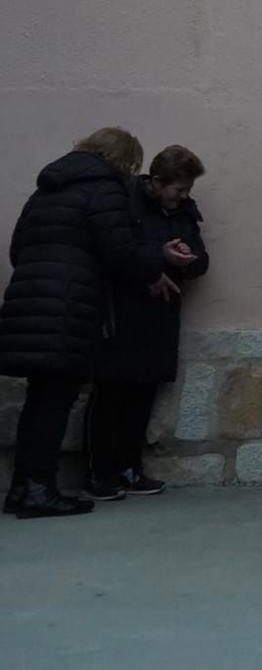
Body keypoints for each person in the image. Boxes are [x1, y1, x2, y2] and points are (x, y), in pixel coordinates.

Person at [1, 128, 190, 518]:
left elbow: (17, 249)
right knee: (55, 401)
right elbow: (119, 251)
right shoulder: (104, 190)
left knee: (39, 400)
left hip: (29, 300)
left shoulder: (46, 189)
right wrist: (156, 261)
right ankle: (39, 490)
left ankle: (22, 487)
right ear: (124, 160)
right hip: (69, 306)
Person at [86, 145, 210, 501]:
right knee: (111, 393)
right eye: (178, 189)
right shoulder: (125, 203)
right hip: (123, 311)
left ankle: (130, 467)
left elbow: (201, 261)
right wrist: (159, 256)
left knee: (142, 396)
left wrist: (188, 260)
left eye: (187, 189)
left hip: (160, 316)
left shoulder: (185, 213)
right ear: (156, 181)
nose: (183, 196)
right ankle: (100, 473)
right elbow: (116, 251)